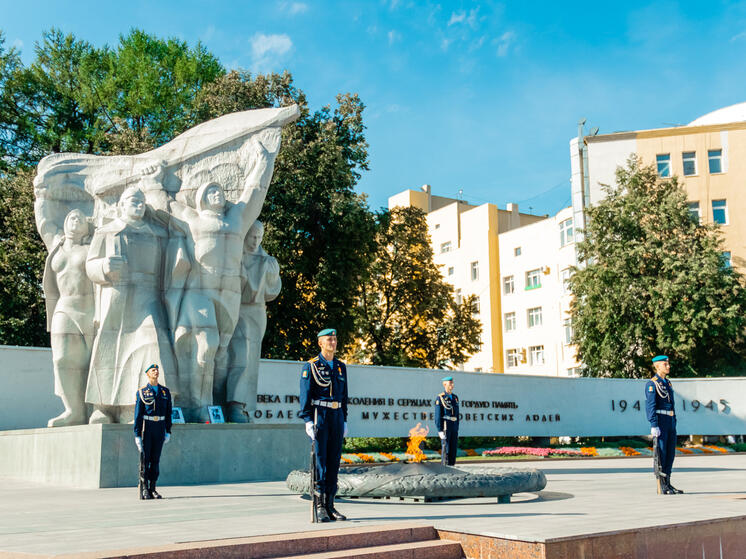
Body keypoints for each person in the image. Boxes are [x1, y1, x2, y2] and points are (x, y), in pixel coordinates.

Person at [86, 186, 176, 424]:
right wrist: (104, 266)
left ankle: (131, 406)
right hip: (117, 295)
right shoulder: (108, 232)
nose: (139, 205)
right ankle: (102, 408)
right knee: (109, 351)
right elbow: (90, 266)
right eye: (134, 201)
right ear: (122, 205)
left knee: (150, 344)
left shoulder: (157, 233)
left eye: (142, 201)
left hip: (148, 297)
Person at [221, 220, 281, 422]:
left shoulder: (268, 262)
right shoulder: (235, 257)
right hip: (235, 308)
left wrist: (270, 275)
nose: (256, 241)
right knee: (239, 355)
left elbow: (272, 292)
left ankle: (240, 405)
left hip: (255, 312)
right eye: (252, 236)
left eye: (260, 237)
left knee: (249, 357)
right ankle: (232, 404)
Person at [299, 328, 349, 522]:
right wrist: (308, 420)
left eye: (335, 339)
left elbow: (345, 396)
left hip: (336, 415)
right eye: (329, 339)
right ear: (320, 343)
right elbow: (305, 394)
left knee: (334, 461)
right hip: (320, 415)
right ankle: (320, 506)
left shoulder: (340, 367)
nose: (333, 342)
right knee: (321, 461)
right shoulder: (310, 366)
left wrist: (344, 419)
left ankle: (330, 506)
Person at [645, 355, 683, 495]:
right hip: (660, 422)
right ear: (657, 366)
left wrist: (674, 422)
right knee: (661, 453)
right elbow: (650, 406)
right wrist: (654, 424)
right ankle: (661, 485)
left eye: (668, 363)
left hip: (670, 422)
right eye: (665, 364)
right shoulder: (652, 384)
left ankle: (668, 483)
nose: (668, 366)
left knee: (670, 454)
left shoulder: (668, 383)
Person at [134, 364, 173, 499]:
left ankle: (153, 488)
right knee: (146, 459)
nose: (156, 372)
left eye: (157, 370)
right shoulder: (142, 391)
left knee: (156, 459)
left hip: (160, 427)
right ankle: (144, 488)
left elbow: (169, 413)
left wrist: (168, 431)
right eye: (153, 370)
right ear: (147, 374)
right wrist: (137, 434)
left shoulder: (165, 392)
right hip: (147, 427)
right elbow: (138, 415)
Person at [435, 376, 460, 466]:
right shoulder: (440, 397)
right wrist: (439, 430)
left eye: (452, 383)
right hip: (446, 425)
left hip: (454, 425)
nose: (452, 385)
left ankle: (452, 466)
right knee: (446, 448)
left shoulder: (455, 397)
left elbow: (457, 414)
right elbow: (438, 415)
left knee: (453, 447)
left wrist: (457, 427)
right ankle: (445, 467)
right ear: (444, 384)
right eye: (450, 383)